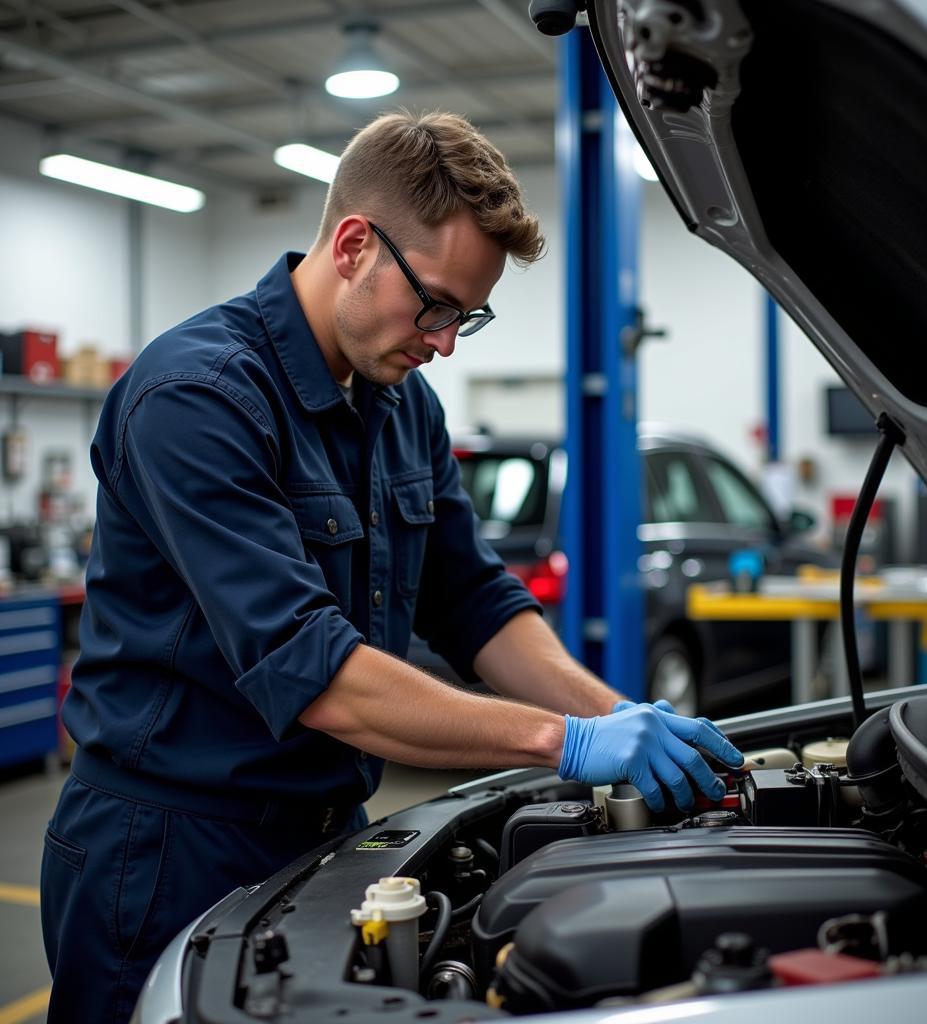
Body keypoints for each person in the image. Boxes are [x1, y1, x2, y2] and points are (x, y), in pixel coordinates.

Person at [40, 110, 742, 1024]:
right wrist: (563, 743)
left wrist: (613, 712)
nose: (445, 341)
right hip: (166, 851)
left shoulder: (400, 404)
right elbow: (319, 676)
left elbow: (476, 602)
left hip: (330, 837)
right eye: (437, 305)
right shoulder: (196, 397)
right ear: (355, 244)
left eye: (468, 316)